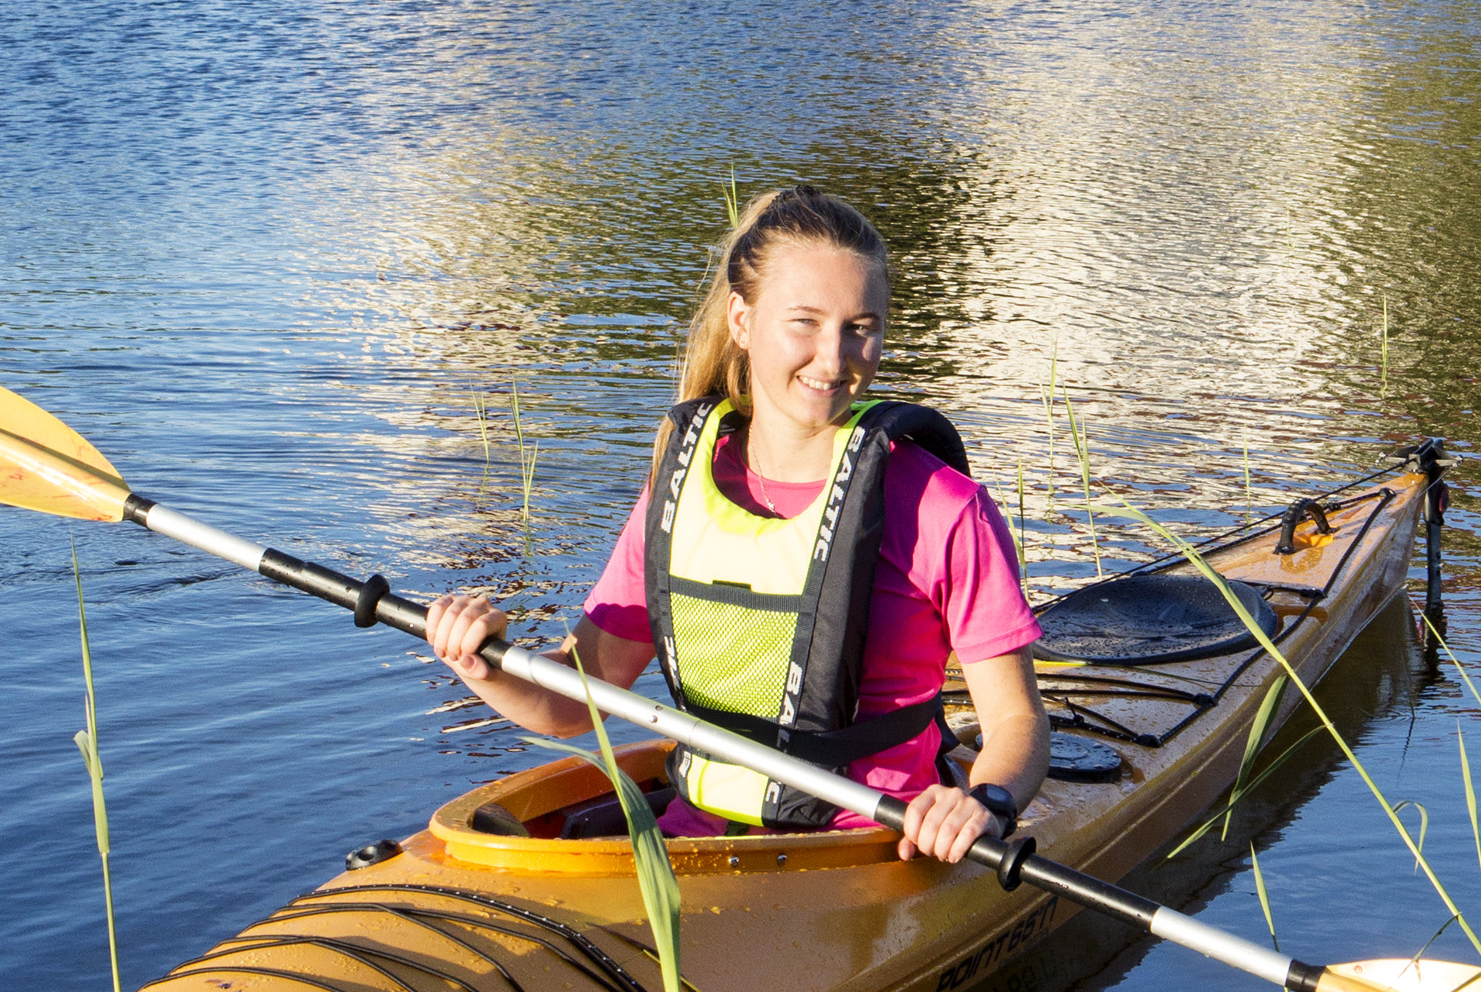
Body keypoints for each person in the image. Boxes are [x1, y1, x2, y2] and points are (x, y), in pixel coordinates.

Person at [420, 181, 1047, 863]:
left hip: (873, 855)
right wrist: (480, 660)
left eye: (860, 328)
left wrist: (982, 802)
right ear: (743, 321)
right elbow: (574, 705)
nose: (834, 360)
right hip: (695, 847)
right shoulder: (680, 487)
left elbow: (1015, 721)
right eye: (803, 322)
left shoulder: (940, 506)